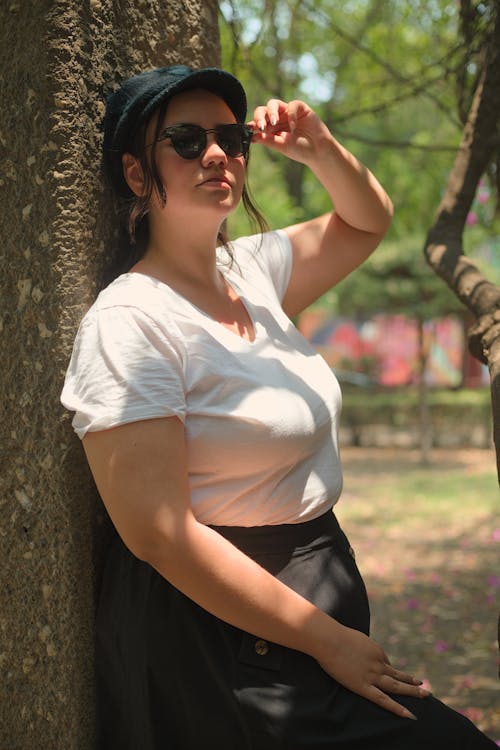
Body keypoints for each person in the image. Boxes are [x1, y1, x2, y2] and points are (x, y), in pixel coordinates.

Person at [61, 64, 496, 749]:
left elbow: (365, 221)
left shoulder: (252, 273)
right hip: (221, 636)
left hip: (306, 598)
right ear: (137, 175)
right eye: (184, 139)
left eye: (231, 138)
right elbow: (158, 535)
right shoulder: (129, 323)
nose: (216, 154)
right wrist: (327, 640)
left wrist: (319, 148)